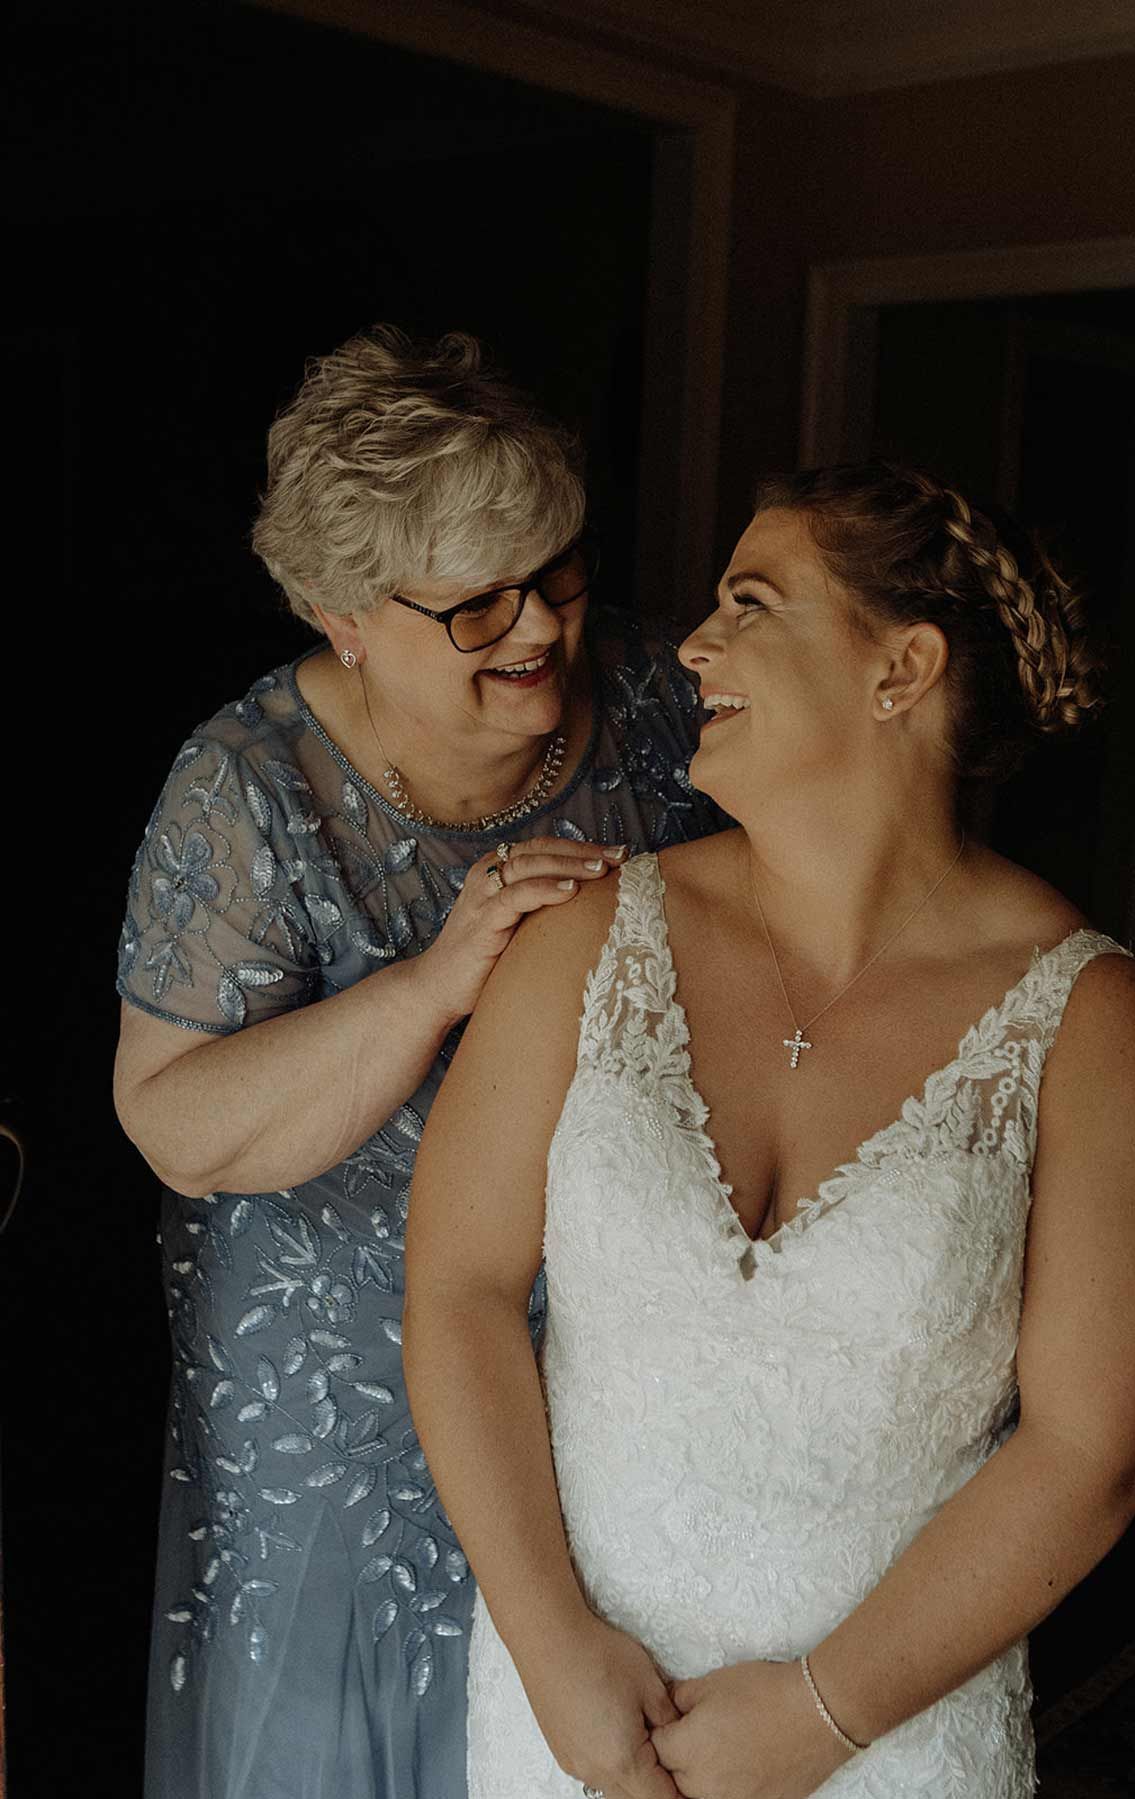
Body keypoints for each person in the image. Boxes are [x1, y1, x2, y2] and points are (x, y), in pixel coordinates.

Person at [404, 461, 1135, 1799]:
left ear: (903, 671)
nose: (695, 646)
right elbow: (460, 1291)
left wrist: (825, 1716)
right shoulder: (590, 937)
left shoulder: (1092, 1020)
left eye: (751, 606)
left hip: (896, 1739)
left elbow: (1095, 1449)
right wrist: (551, 1651)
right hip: (581, 1726)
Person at [113, 325, 727, 1799]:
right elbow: (175, 1124)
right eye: (475, 605)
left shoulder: (655, 694)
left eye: (559, 572)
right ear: (342, 616)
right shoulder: (246, 787)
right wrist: (439, 983)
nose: (540, 631)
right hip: (341, 1385)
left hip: (613, 1330)